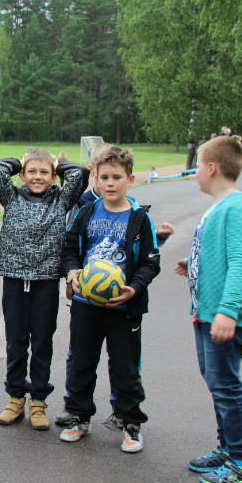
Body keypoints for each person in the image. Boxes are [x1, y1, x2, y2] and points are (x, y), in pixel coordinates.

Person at [175, 136, 242, 483]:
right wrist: (193, 261)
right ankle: (228, 449)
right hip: (206, 311)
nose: (194, 172)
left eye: (197, 166)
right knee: (216, 382)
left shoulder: (236, 209)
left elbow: (241, 263)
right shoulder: (220, 206)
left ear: (211, 168)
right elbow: (220, 252)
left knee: (226, 385)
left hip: (223, 314)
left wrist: (228, 311)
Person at [60, 144, 160, 452]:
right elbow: (69, 249)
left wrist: (135, 287)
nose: (110, 183)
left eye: (117, 177)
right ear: (96, 179)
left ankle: (130, 422)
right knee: (82, 362)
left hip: (124, 307)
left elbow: (151, 261)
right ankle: (79, 417)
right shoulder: (87, 211)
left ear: (130, 179)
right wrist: (72, 274)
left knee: (125, 368)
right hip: (86, 305)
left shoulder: (139, 218)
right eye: (105, 177)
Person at [0, 151, 89, 430]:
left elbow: (80, 174)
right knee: (16, 342)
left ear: (53, 176)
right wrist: (20, 162)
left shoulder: (61, 200)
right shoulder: (11, 197)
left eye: (44, 172)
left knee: (42, 342)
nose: (37, 177)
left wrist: (59, 164)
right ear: (22, 175)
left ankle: (38, 401)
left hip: (46, 282)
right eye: (31, 172)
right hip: (14, 279)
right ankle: (15, 398)